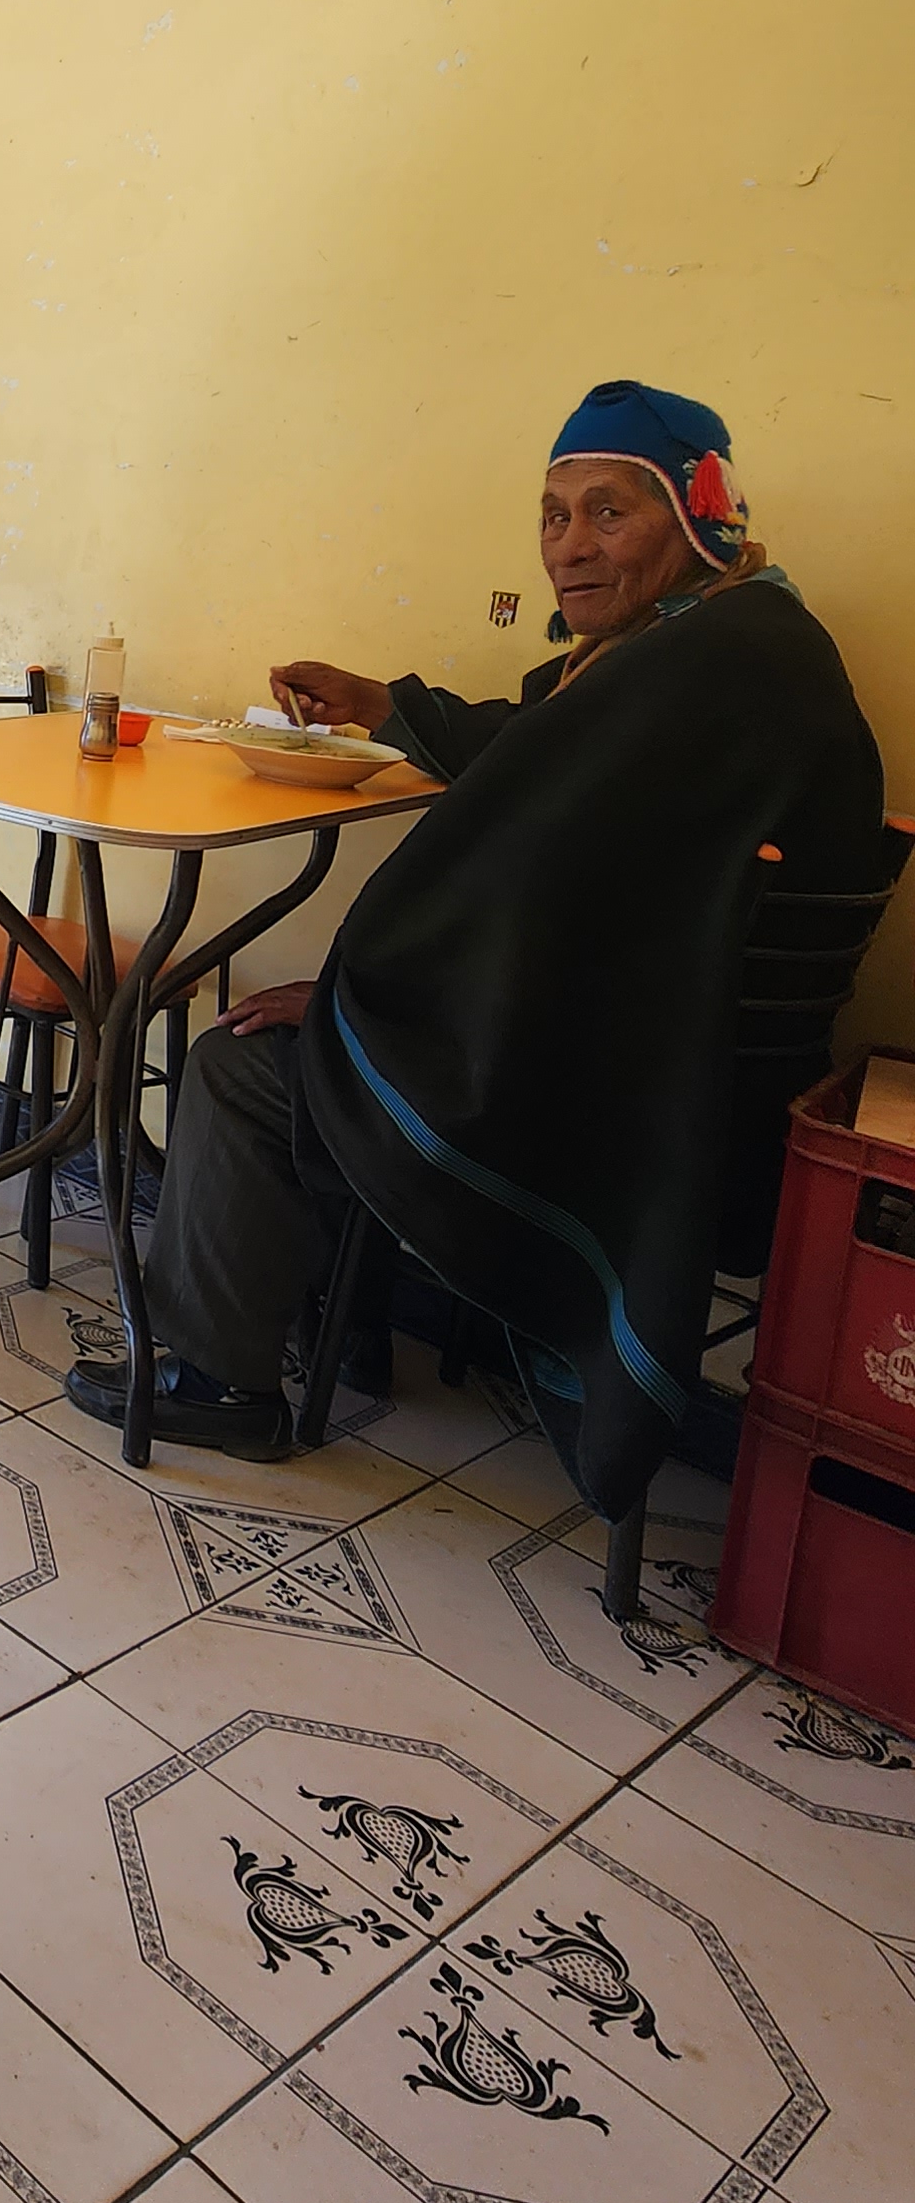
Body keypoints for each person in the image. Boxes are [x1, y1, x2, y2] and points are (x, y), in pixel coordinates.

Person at [66, 380, 886, 1499]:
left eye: (609, 512)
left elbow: (524, 866)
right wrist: (382, 703)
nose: (568, 546)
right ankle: (345, 1325)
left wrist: (350, 992)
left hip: (646, 1111)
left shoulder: (712, 662)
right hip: (691, 1075)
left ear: (703, 514)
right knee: (335, 1048)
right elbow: (539, 759)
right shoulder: (734, 638)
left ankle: (219, 1379)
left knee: (245, 1065)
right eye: (553, 515)